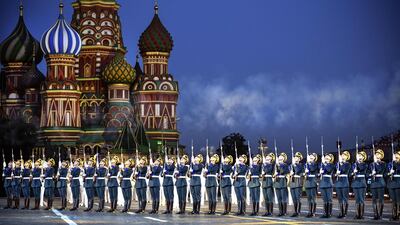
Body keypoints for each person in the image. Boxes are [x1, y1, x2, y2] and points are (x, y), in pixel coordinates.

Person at [370, 149, 386, 220]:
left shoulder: (383, 163)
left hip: (380, 183)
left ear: (381, 156)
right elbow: (368, 173)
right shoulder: (372, 164)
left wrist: (376, 163)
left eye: (378, 154)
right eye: (376, 154)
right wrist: (371, 173)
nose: (377, 155)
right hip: (374, 183)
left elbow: (381, 170)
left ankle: (380, 214)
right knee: (374, 200)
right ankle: (375, 214)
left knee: (380, 199)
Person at [351, 150, 368, 219]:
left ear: (363, 157)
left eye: (360, 156)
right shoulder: (354, 164)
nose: (359, 157)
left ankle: (361, 215)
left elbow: (361, 168)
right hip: (355, 183)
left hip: (361, 183)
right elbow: (351, 173)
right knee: (357, 199)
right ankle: (357, 214)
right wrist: (353, 172)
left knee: (361, 199)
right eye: (358, 156)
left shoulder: (365, 164)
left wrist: (358, 164)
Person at [335, 151, 351, 218]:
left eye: (344, 155)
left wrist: (341, 163)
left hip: (344, 182)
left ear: (347, 157)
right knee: (340, 198)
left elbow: (344, 170)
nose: (342, 156)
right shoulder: (338, 164)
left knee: (345, 198)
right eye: (342, 155)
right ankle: (341, 212)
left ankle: (345, 213)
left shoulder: (348, 164)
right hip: (339, 182)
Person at [319, 153, 336, 218]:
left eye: (328, 157)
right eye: (325, 157)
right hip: (323, 183)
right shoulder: (322, 165)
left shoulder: (331, 165)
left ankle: (329, 213)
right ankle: (325, 213)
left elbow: (329, 170)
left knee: (329, 199)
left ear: (330, 158)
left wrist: (324, 164)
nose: (326, 158)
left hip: (328, 183)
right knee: (324, 199)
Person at [274, 153, 289, 217]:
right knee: (279, 198)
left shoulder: (285, 165)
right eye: (279, 157)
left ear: (283, 159)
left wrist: (279, 166)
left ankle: (284, 212)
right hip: (277, 182)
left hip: (283, 182)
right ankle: (280, 211)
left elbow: (284, 172)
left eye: (281, 157)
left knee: (283, 198)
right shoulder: (276, 165)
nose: (280, 158)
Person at [289, 152, 304, 217]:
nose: (295, 158)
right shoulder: (291, 165)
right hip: (292, 183)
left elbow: (297, 171)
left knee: (298, 198)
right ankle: (295, 211)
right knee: (294, 198)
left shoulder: (300, 165)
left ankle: (298, 212)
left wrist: (295, 165)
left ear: (300, 159)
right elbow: (289, 170)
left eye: (297, 157)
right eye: (295, 157)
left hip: (298, 183)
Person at [304, 153, 319, 218]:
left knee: (313, 198)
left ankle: (313, 212)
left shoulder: (316, 164)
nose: (310, 157)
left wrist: (309, 164)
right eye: (310, 156)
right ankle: (309, 212)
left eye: (312, 156)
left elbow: (312, 169)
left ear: (315, 158)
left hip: (313, 182)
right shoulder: (306, 164)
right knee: (309, 198)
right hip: (307, 183)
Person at [388, 150, 400, 221]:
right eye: (394, 155)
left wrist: (395, 168)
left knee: (398, 200)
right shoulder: (390, 164)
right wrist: (390, 172)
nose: (395, 157)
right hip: (391, 183)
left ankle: (398, 215)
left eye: (397, 155)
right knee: (393, 200)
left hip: (398, 183)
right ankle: (393, 215)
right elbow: (387, 172)